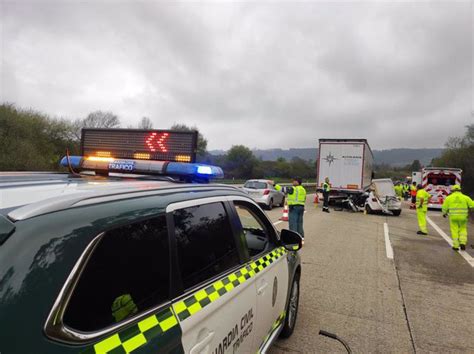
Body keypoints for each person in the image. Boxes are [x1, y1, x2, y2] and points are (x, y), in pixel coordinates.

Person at [441, 185, 474, 251]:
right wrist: (471, 211)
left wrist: (444, 213)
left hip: (453, 217)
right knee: (463, 229)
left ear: (452, 191)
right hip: (463, 217)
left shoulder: (449, 198)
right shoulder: (466, 197)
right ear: (460, 190)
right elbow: (472, 205)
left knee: (454, 230)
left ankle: (456, 246)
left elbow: (444, 208)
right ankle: (463, 243)